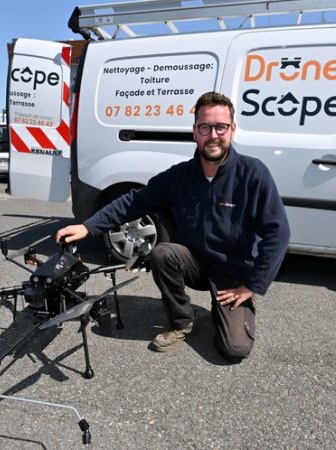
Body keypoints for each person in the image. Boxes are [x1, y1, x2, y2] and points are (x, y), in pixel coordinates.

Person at [56, 91, 290, 363]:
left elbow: (278, 232)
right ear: (195, 131)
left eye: (220, 127)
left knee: (234, 350)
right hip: (194, 263)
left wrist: (252, 285)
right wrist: (88, 227)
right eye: (205, 127)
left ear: (232, 129)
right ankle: (182, 321)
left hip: (232, 273)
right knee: (162, 253)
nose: (213, 134)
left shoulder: (253, 174)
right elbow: (134, 201)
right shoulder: (180, 176)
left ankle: (228, 307)